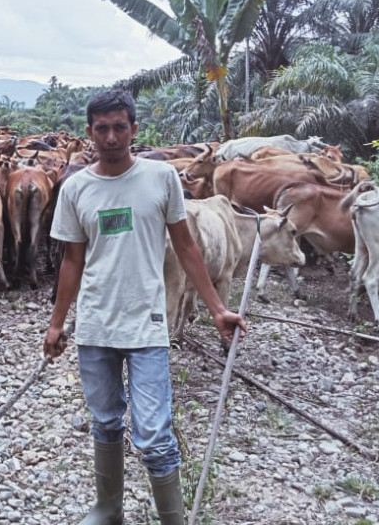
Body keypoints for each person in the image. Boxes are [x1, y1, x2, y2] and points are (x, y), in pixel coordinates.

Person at [43, 88, 246, 525]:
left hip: (148, 323)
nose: (112, 137)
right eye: (102, 129)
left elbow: (186, 245)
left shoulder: (161, 178)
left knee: (153, 434)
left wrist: (216, 309)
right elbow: (73, 260)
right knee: (105, 423)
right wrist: (57, 324)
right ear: (89, 134)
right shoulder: (76, 188)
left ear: (135, 129)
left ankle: (171, 519)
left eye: (120, 127)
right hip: (96, 323)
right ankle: (107, 509)